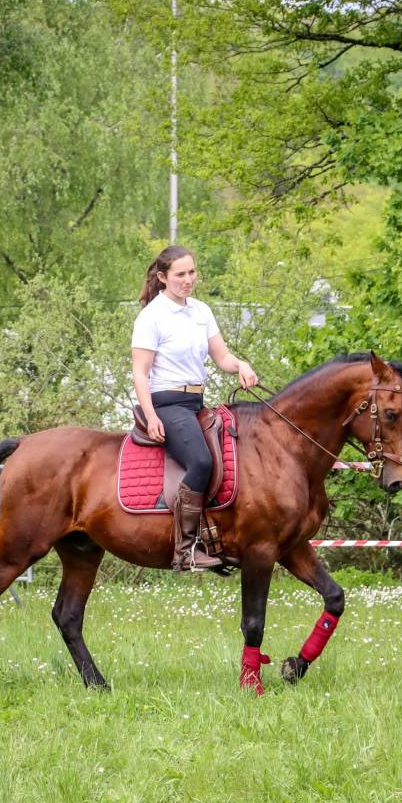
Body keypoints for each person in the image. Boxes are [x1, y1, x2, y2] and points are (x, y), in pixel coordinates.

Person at [131, 245, 258, 571]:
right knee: (201, 461)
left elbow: (221, 356)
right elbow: (140, 373)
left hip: (195, 402)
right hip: (166, 403)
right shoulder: (152, 317)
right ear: (162, 277)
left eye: (192, 272)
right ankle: (184, 552)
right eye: (180, 275)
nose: (188, 280)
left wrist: (240, 365)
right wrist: (152, 415)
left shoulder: (201, 311)